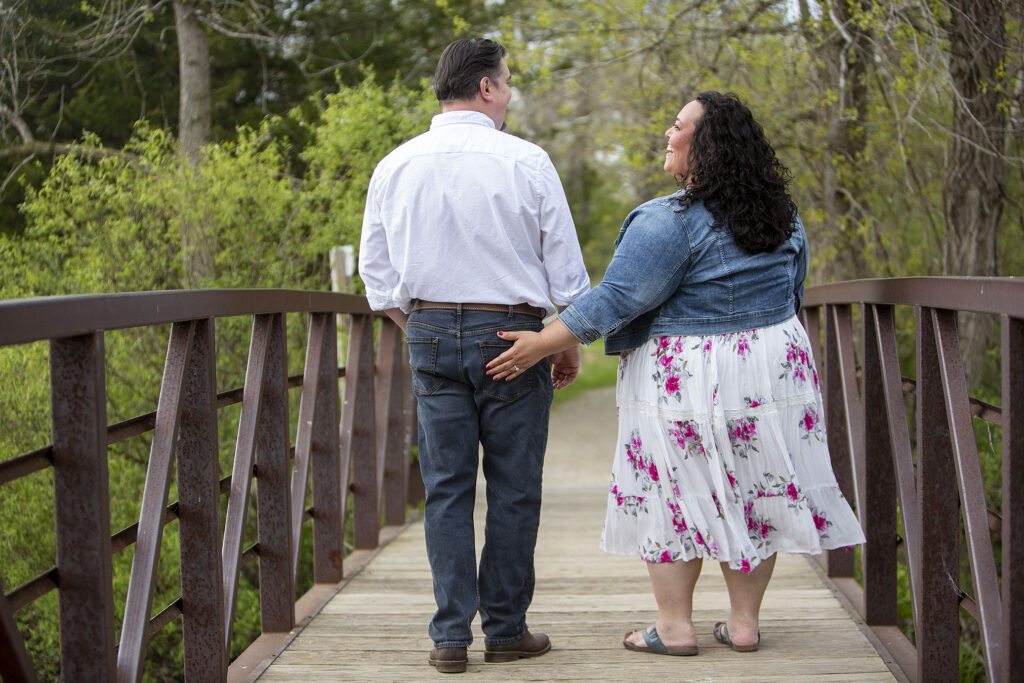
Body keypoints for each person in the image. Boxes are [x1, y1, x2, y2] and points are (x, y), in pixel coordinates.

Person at [486, 91, 866, 656]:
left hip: (687, 372)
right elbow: (793, 292)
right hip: (773, 366)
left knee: (670, 488)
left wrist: (543, 343)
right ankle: (743, 625)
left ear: (706, 145)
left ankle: (675, 629)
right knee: (757, 487)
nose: (668, 134)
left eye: (678, 126)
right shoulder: (783, 217)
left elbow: (617, 298)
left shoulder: (668, 221)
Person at [358, 38, 590, 673]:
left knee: (447, 489)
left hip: (428, 328)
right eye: (508, 83)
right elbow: (570, 282)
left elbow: (377, 282)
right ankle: (507, 630)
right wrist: (560, 344)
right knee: (514, 488)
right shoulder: (528, 162)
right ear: (486, 88)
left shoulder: (394, 165)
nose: (510, 94)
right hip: (515, 337)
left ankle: (450, 638)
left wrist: (427, 327)